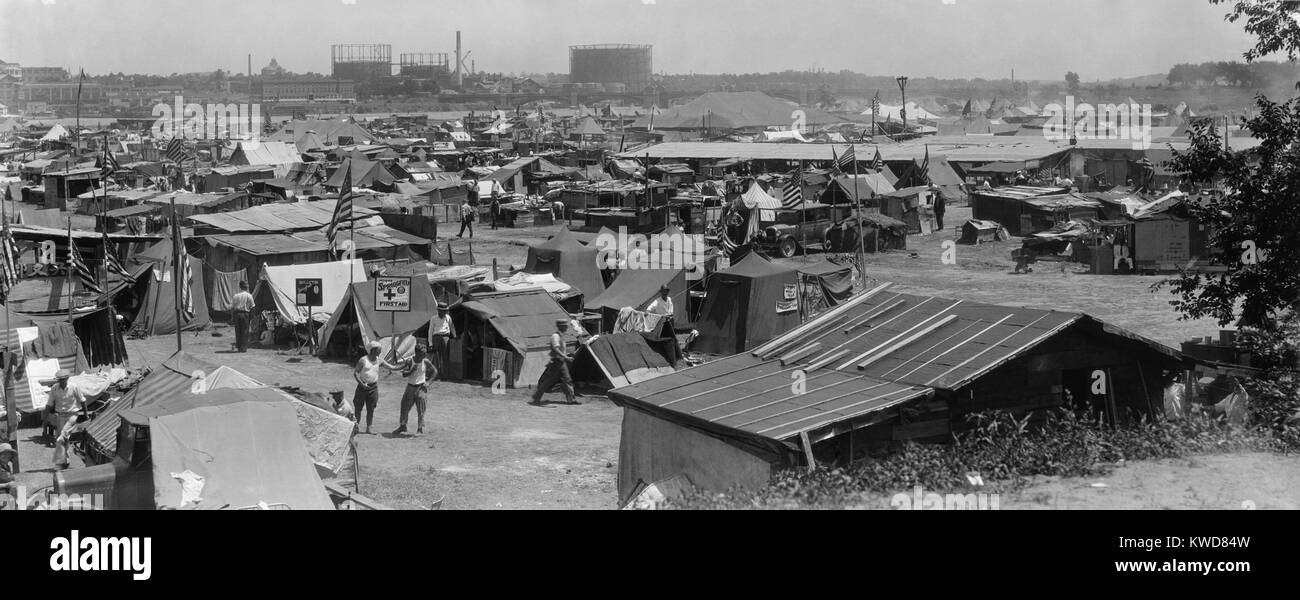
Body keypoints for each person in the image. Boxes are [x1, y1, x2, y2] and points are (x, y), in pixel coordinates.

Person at [530, 318, 577, 406]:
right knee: (549, 381)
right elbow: (556, 349)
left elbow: (560, 350)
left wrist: (567, 354)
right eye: (565, 326)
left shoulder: (561, 336)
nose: (566, 327)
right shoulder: (555, 336)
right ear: (561, 326)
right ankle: (536, 396)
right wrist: (566, 357)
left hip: (561, 362)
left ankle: (571, 399)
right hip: (556, 362)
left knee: (567, 380)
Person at [353, 342, 398, 435]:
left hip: (373, 388)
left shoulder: (379, 360)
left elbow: (392, 367)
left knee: (371, 408)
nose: (380, 351)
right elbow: (356, 373)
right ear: (373, 350)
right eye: (379, 349)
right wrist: (361, 384)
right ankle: (355, 427)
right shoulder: (363, 360)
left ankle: (369, 428)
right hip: (362, 388)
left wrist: (405, 365)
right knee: (358, 408)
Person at [393, 345, 436, 436]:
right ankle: (403, 426)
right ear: (417, 352)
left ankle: (420, 429)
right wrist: (411, 370)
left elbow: (434, 371)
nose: (425, 354)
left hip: (421, 388)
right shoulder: (410, 361)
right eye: (423, 352)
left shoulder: (426, 361)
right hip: (410, 387)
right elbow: (404, 374)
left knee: (421, 409)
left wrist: (428, 382)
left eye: (425, 352)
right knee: (404, 407)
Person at [47, 369, 86, 470]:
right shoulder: (54, 389)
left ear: (67, 379)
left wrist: (86, 415)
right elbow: (49, 403)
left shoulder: (74, 387)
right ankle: (65, 462)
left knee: (61, 437)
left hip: (72, 415)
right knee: (64, 439)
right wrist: (47, 416)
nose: (62, 381)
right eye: (60, 380)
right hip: (60, 415)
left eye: (63, 379)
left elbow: (83, 401)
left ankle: (62, 461)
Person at [426, 304, 454, 379]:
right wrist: (430, 343)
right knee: (437, 358)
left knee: (445, 357)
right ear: (439, 310)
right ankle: (436, 375)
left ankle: (445, 375)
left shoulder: (448, 318)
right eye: (443, 311)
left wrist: (454, 337)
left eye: (445, 311)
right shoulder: (433, 318)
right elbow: (430, 331)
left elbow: (451, 327)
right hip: (436, 337)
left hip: (445, 337)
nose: (445, 312)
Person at [230, 280, 255, 352]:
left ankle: (239, 347)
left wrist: (232, 317)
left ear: (240, 287)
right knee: (245, 331)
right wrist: (251, 317)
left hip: (237, 314)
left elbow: (232, 308)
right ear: (246, 287)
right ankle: (243, 348)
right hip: (245, 315)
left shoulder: (236, 296)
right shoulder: (249, 296)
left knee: (238, 331)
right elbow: (252, 307)